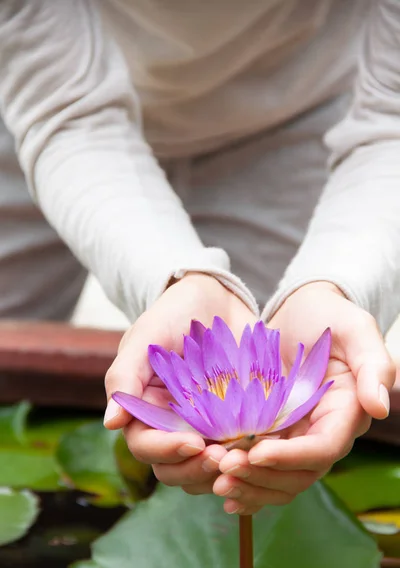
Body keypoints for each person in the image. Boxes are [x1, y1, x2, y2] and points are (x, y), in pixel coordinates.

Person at [0, 0, 398, 516]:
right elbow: (67, 109)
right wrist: (174, 280)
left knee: (253, 484)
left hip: (295, 108)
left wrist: (335, 285)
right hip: (46, 99)